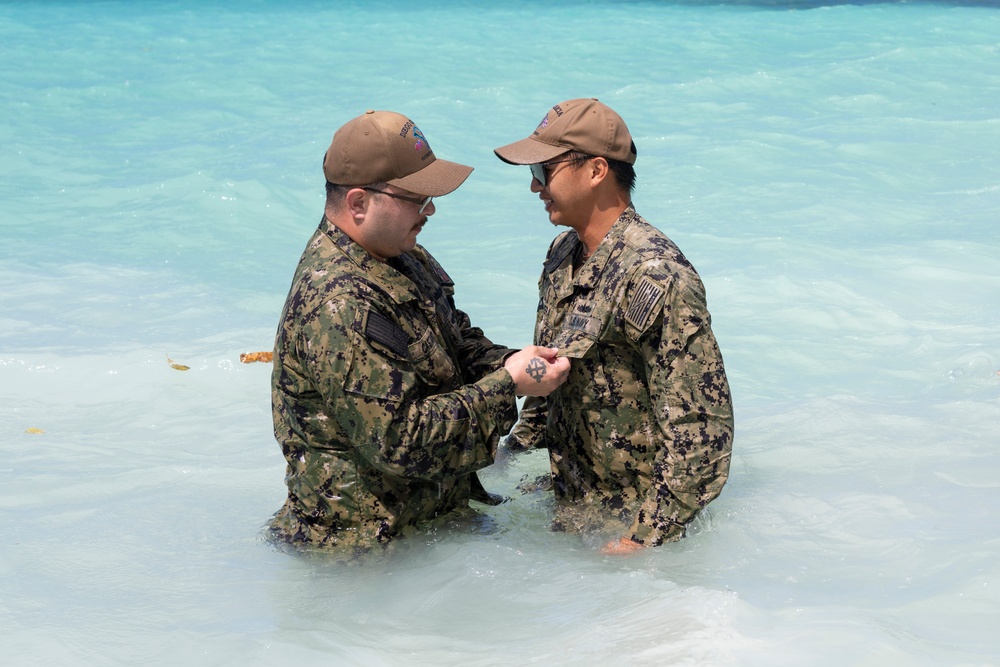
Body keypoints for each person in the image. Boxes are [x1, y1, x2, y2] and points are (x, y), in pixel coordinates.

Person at [269, 109, 570, 549]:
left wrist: (510, 361)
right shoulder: (338, 305)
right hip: (361, 554)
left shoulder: (401, 255)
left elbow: (457, 340)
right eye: (416, 196)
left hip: (428, 525)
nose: (430, 208)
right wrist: (508, 385)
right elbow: (401, 441)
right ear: (357, 203)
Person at [494, 98, 734, 554]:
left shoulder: (655, 273)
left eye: (544, 171)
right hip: (573, 501)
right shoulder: (563, 253)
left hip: (631, 521)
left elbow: (703, 428)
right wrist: (514, 451)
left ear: (596, 170)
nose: (533, 186)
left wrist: (641, 539)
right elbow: (554, 370)